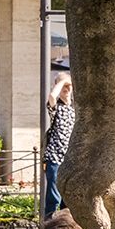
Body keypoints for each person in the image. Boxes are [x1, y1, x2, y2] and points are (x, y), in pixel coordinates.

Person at [40, 71, 77, 217]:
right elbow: (51, 97)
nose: (67, 89)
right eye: (64, 87)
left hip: (70, 160)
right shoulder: (56, 107)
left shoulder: (74, 108)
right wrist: (63, 81)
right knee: (53, 196)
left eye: (69, 86)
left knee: (67, 198)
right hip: (55, 158)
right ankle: (48, 226)